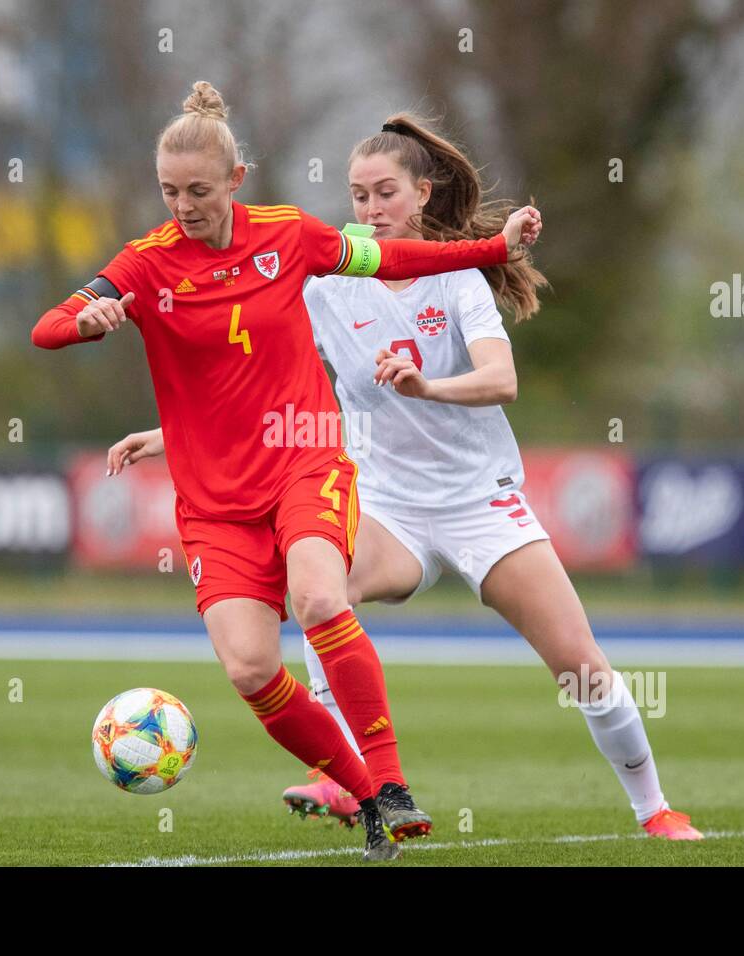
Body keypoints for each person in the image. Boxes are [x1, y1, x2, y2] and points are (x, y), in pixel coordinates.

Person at [107, 113, 703, 841]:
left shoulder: (454, 280)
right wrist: (171, 436)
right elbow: (258, 381)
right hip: (386, 503)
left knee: (581, 666)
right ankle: (347, 773)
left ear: (421, 194)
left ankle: (656, 810)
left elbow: (502, 380)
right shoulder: (327, 284)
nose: (369, 210)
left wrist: (427, 388)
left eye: (384, 193)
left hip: (480, 503)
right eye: (357, 196)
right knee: (319, 594)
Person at [33, 83, 542, 861]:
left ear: (237, 181)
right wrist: (87, 322)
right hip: (213, 503)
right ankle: (368, 798)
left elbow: (396, 255)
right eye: (169, 192)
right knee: (248, 666)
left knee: (316, 596)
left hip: (306, 461)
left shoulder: (292, 236)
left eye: (199, 191)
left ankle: (393, 782)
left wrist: (493, 249)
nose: (183, 206)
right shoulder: (145, 263)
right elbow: (46, 328)